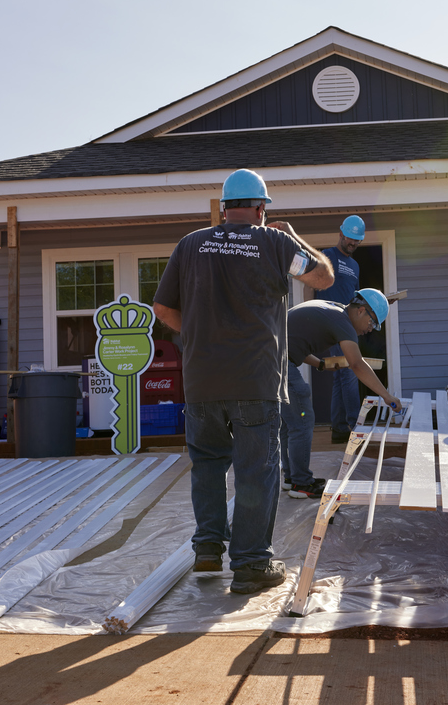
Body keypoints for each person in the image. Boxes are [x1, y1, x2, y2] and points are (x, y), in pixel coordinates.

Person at [153, 168, 334, 595]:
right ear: (261, 207)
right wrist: (297, 236)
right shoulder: (274, 242)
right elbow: (324, 277)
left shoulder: (191, 244)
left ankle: (208, 551)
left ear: (224, 206)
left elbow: (162, 309)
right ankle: (251, 565)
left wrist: (199, 337)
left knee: (209, 466)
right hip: (254, 379)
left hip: (202, 381)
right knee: (256, 471)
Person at [281, 289, 403, 499]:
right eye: (372, 323)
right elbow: (356, 363)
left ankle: (291, 477)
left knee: (291, 420)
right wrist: (386, 396)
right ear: (362, 311)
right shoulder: (343, 322)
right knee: (302, 414)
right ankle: (301, 483)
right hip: (276, 359)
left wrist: (319, 364)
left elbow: (293, 341)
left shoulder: (334, 311)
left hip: (269, 354)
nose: (369, 330)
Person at [312, 215, 366, 443]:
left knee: (341, 376)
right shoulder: (328, 257)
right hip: (331, 322)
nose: (353, 245)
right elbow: (315, 283)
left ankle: (339, 429)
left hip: (349, 324)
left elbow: (355, 298)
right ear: (341, 234)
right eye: (350, 240)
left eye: (357, 242)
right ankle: (355, 428)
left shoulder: (355, 266)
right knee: (350, 372)